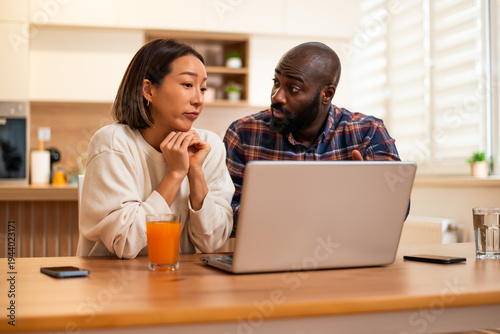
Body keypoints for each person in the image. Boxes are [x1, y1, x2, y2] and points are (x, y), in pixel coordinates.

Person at [77, 39, 234, 258]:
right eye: (188, 85)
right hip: (113, 281)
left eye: (203, 88)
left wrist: (195, 173)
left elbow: (212, 242)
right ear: (149, 90)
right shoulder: (113, 142)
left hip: (177, 282)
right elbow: (126, 243)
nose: (199, 99)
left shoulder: (208, 147)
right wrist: (176, 173)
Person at [223, 42, 402, 234]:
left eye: (293, 88)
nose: (277, 97)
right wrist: (280, 212)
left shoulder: (368, 133)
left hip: (343, 253)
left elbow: (397, 210)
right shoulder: (243, 133)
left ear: (327, 94)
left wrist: (368, 195)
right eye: (276, 82)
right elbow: (223, 216)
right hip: (268, 255)